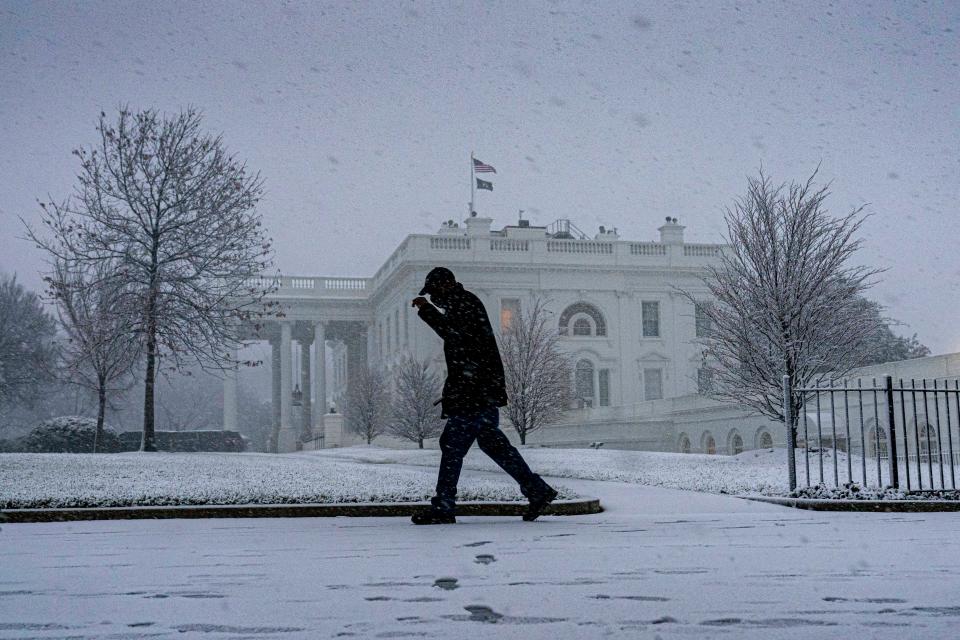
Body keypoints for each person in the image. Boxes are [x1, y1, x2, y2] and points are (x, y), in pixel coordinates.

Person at [410, 267, 558, 525]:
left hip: (473, 394)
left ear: (446, 285)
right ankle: (536, 489)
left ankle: (444, 506)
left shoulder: (464, 303)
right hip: (480, 391)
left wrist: (426, 310)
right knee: (494, 446)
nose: (434, 298)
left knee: (453, 446)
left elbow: (452, 333)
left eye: (434, 293)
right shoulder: (465, 303)